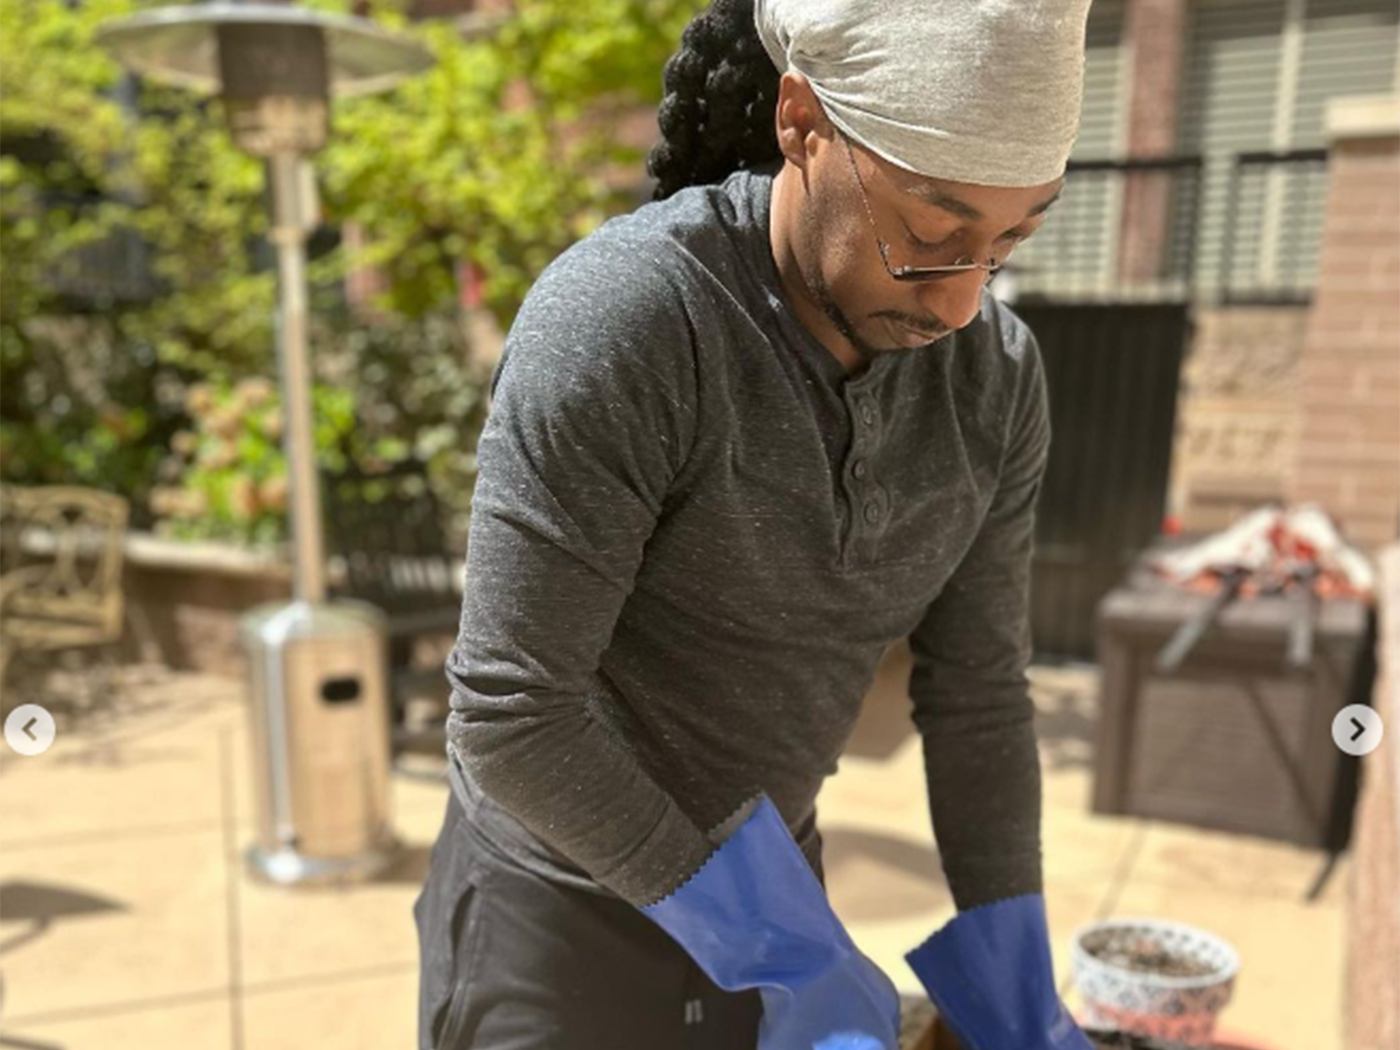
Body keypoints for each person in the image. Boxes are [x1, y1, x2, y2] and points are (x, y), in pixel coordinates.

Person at [413, 1, 1096, 1047]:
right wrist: (780, 947)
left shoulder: (993, 380)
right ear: (801, 121)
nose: (960, 303)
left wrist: (1010, 977)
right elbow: (512, 715)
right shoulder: (634, 322)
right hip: (556, 911)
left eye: (1009, 242)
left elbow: (979, 697)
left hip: (773, 876)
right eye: (928, 234)